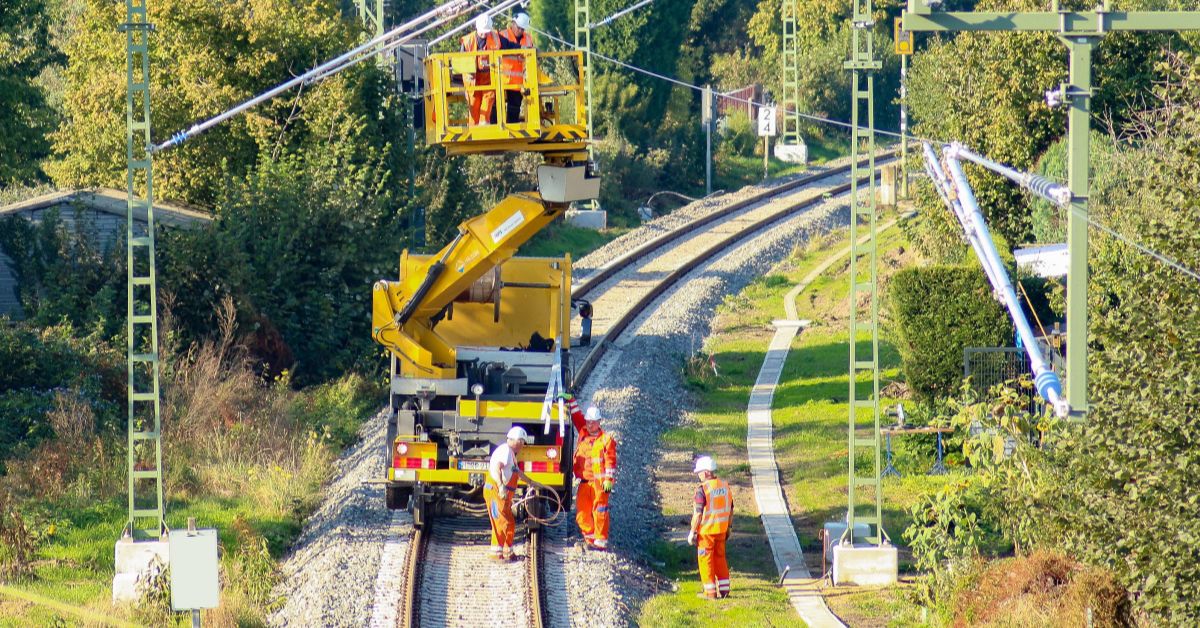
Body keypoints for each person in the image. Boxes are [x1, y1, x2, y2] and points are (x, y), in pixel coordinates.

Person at [560, 393, 617, 551]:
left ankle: (600, 540)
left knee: (600, 511)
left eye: (593, 422)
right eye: (588, 422)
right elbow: (577, 416)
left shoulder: (606, 439)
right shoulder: (584, 432)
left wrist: (608, 480)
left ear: (599, 422)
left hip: (599, 484)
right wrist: (571, 400)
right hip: (585, 482)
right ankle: (590, 537)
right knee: (582, 513)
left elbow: (611, 461)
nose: (590, 425)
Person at [485, 426, 544, 560]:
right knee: (501, 521)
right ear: (516, 441)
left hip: (501, 493)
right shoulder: (505, 451)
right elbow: (496, 468)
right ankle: (496, 553)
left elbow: (517, 472)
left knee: (509, 521)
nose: (523, 445)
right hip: (495, 491)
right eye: (522, 442)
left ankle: (507, 551)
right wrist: (500, 486)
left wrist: (531, 482)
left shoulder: (511, 454)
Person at [688, 455, 732, 599]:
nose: (698, 475)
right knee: (720, 558)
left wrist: (692, 532)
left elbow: (698, 514)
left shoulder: (703, 490)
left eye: (699, 472)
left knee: (705, 560)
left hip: (706, 533)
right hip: (721, 530)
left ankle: (710, 592)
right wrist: (729, 528)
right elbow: (730, 510)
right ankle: (725, 590)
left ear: (706, 472)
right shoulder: (725, 486)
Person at [460, 14, 502, 125]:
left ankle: (484, 126)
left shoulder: (495, 38)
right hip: (472, 81)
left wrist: (522, 48)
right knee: (474, 108)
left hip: (488, 79)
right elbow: (461, 64)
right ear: (477, 28)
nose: (484, 34)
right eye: (482, 31)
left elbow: (509, 45)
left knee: (488, 102)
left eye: (486, 31)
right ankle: (473, 131)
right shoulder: (467, 41)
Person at [498, 12, 534, 124]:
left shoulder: (528, 38)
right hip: (502, 79)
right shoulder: (503, 35)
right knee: (497, 107)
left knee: (514, 109)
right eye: (519, 28)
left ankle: (512, 130)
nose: (520, 31)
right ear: (513, 23)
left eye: (523, 29)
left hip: (518, 82)